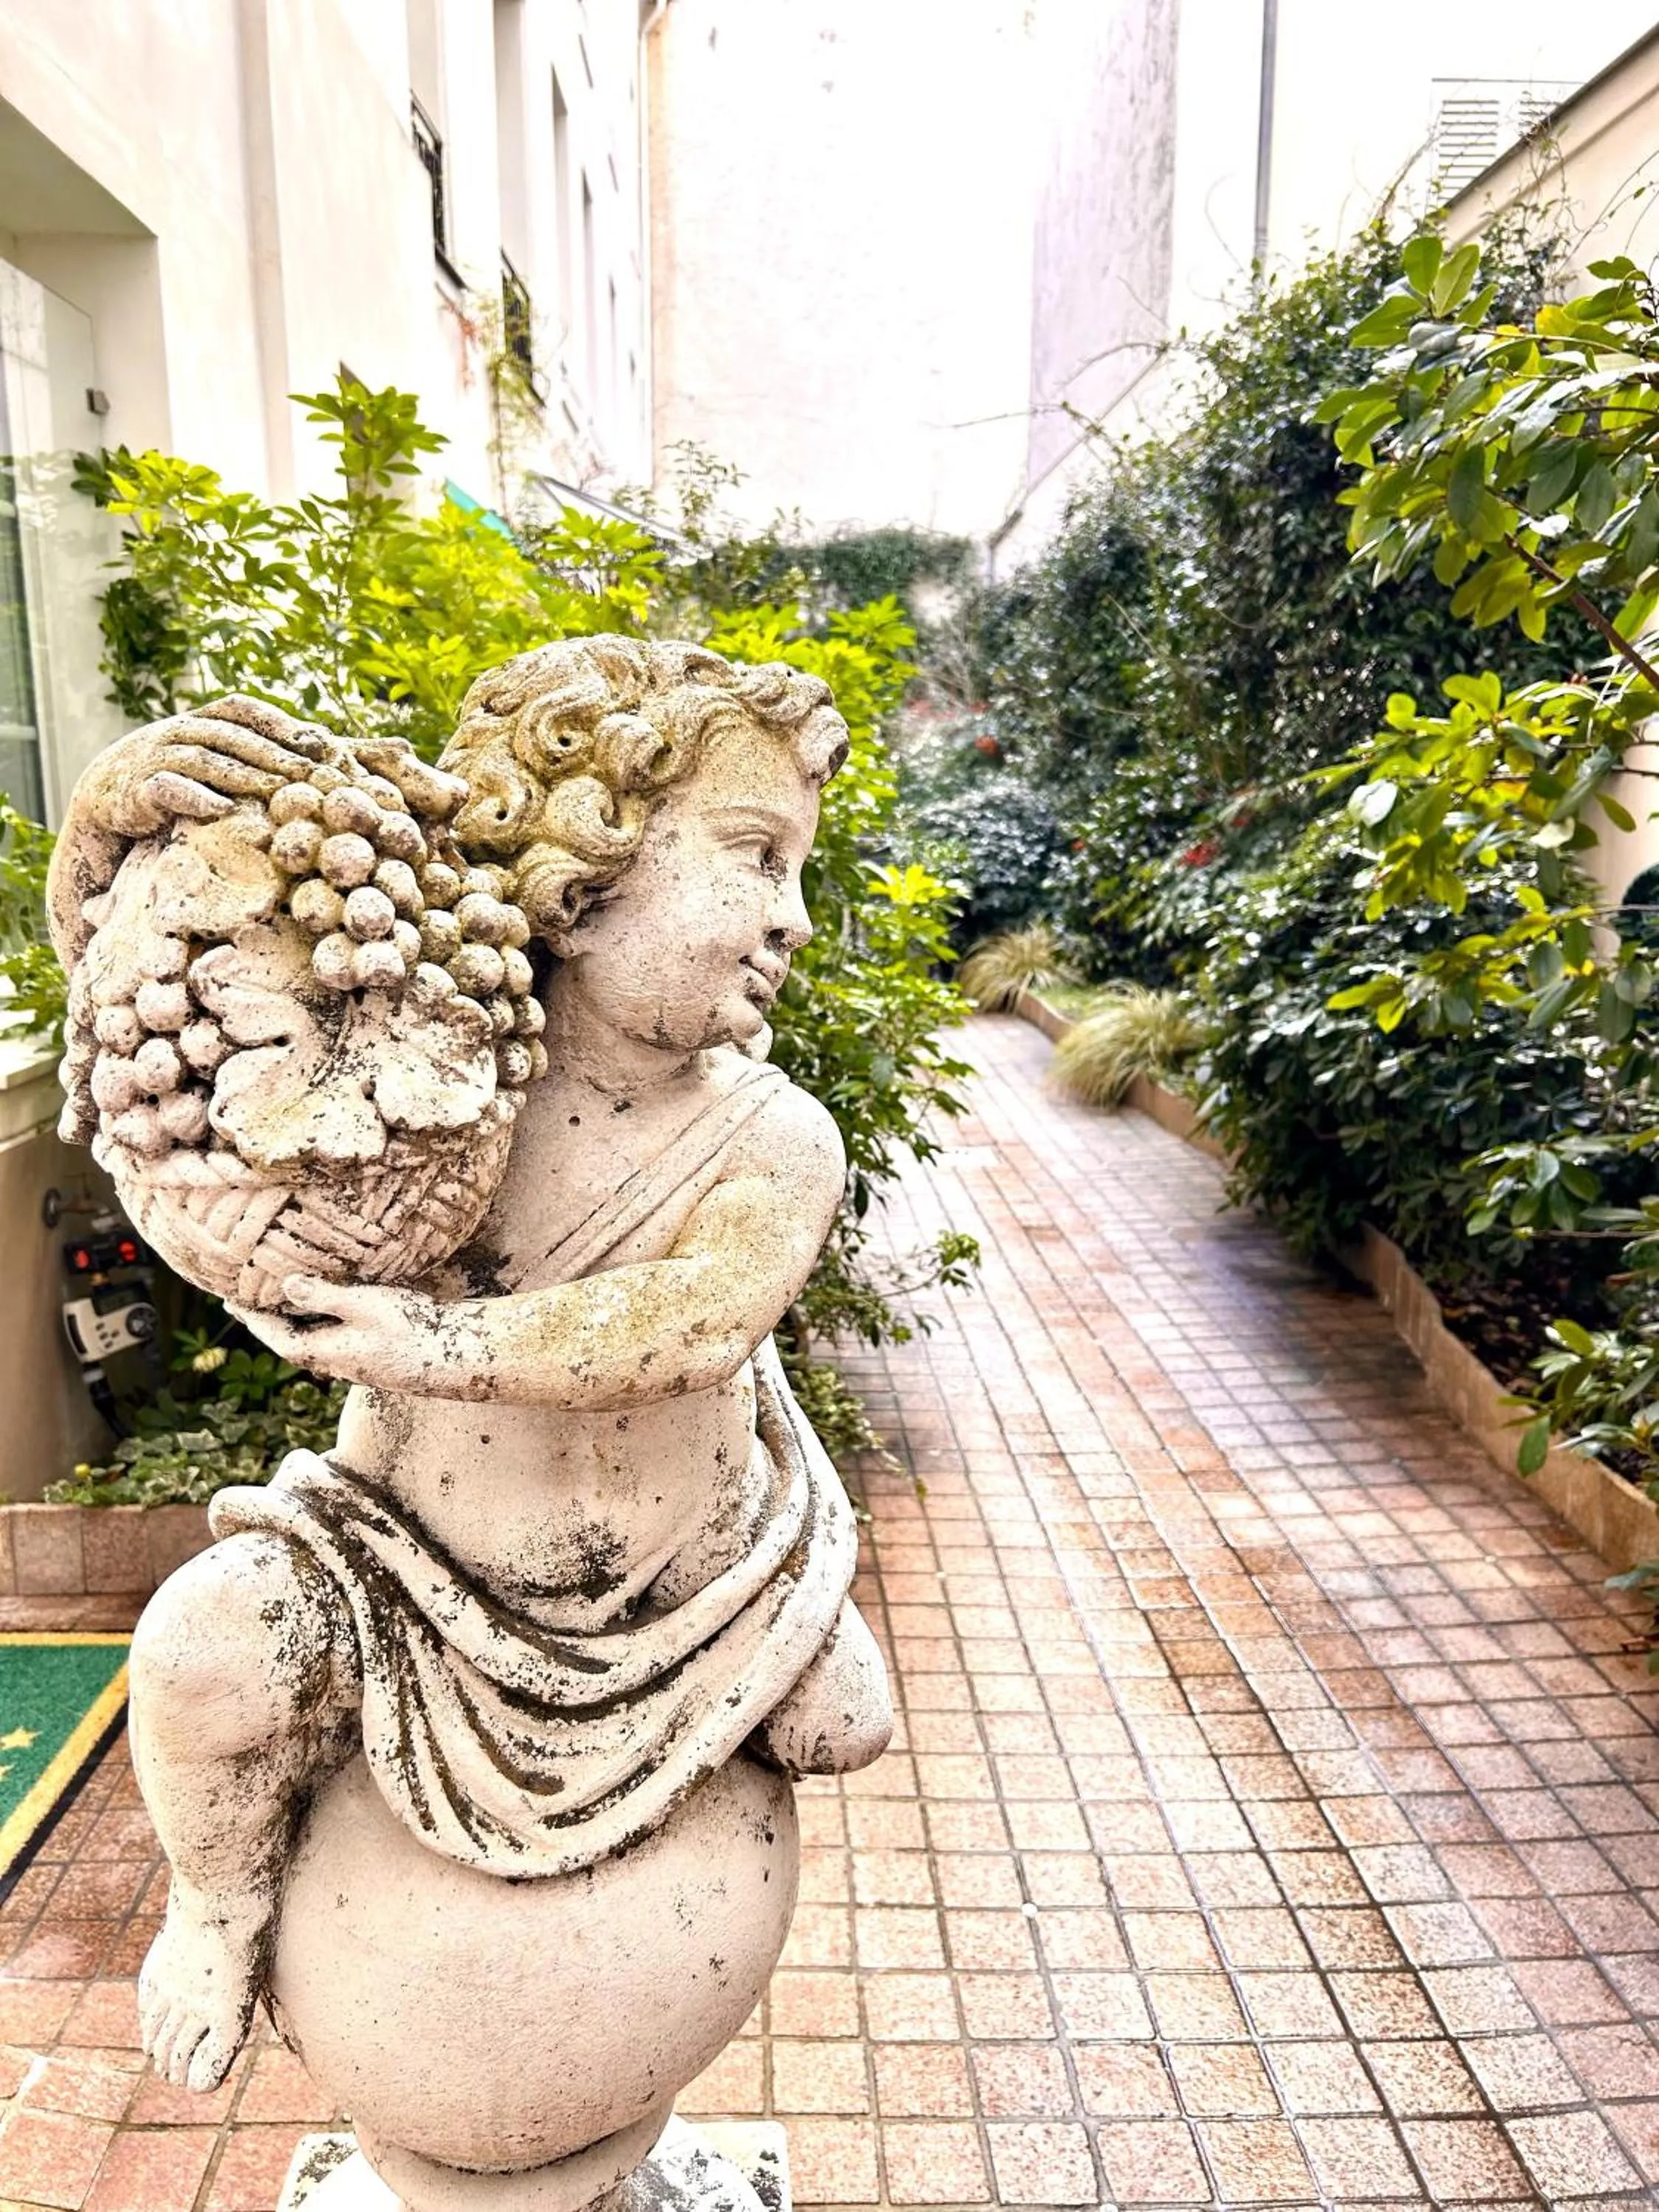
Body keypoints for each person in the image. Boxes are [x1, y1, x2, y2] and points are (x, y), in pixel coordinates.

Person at [54, 641, 892, 2096]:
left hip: (689, 1567)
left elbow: (701, 1317)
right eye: (756, 857)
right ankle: (218, 1903)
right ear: (584, 869)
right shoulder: (431, 1091)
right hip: (407, 1551)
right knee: (199, 1651)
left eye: (797, 870)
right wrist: (103, 853)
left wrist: (435, 1344)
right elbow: (172, 1030)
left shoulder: (771, 1132)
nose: (792, 916)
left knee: (844, 1720)